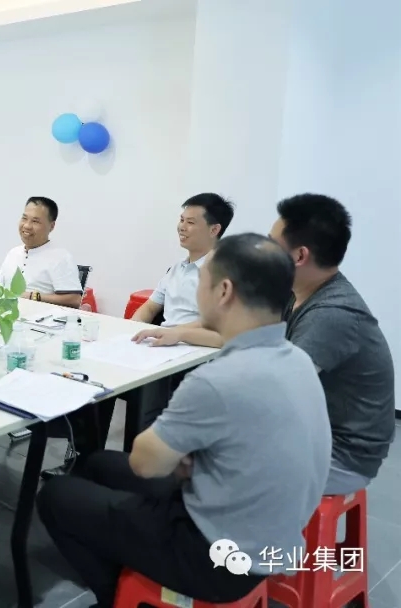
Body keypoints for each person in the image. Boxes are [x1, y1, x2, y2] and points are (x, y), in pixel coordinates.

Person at [37, 233, 330, 607]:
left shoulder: (219, 379)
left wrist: (180, 457)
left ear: (223, 291)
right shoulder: (296, 358)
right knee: (99, 464)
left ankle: (119, 597)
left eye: (202, 281)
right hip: (271, 536)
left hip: (215, 559)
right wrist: (191, 457)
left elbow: (145, 463)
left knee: (56, 496)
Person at [268, 194, 395, 495]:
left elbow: (276, 392)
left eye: (272, 245)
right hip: (313, 433)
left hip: (342, 457)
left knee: (214, 463)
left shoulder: (331, 314)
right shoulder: (297, 292)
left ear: (299, 256)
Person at [130, 193, 235, 347]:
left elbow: (217, 323)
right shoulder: (176, 268)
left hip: (198, 347)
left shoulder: (225, 273)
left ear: (214, 230)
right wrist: (132, 328)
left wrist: (175, 333)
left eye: (190, 222)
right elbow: (150, 307)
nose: (182, 227)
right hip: (165, 342)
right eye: (181, 220)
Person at [0, 197, 82, 307]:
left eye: (35, 221)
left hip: (38, 316)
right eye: (24, 218)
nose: (27, 226)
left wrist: (33, 296)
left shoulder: (61, 257)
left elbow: (74, 300)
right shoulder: (13, 252)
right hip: (4, 313)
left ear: (51, 226)